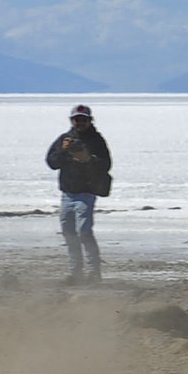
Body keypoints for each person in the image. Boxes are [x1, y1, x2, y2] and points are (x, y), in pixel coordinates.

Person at [46, 104, 112, 285]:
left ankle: (94, 272)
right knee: (68, 232)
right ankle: (75, 273)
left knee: (84, 231)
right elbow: (52, 162)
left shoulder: (96, 141)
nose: (80, 123)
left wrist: (88, 159)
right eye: (77, 120)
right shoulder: (64, 139)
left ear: (90, 121)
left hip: (87, 192)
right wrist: (64, 151)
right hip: (67, 193)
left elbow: (106, 165)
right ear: (72, 121)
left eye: (84, 120)